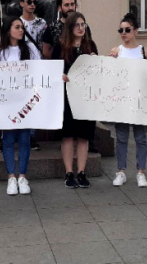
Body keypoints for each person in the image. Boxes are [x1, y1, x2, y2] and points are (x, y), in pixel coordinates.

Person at [42, 0, 98, 153]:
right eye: (66, 5)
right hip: (64, 81)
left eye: (72, 4)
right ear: (60, 8)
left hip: (84, 88)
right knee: (67, 128)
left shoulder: (85, 30)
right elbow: (46, 52)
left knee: (84, 131)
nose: (70, 7)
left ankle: (88, 143)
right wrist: (60, 71)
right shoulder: (52, 28)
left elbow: (89, 50)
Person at [0, 17, 41, 195]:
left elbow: (40, 72)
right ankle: (11, 176)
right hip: (7, 103)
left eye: (22, 28)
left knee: (25, 139)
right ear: (8, 29)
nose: (21, 30)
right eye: (17, 27)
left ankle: (23, 176)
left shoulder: (30, 49)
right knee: (9, 140)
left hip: (26, 102)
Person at [52, 12, 98, 189]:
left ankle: (81, 172)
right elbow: (53, 70)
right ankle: (69, 172)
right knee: (68, 135)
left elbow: (97, 71)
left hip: (86, 96)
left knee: (84, 136)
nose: (81, 28)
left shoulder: (90, 45)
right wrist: (60, 75)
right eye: (77, 25)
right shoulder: (60, 46)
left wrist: (96, 61)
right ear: (70, 28)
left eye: (83, 25)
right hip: (66, 96)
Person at [109, 13, 147, 188]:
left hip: (140, 100)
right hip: (121, 100)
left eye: (127, 29)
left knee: (141, 137)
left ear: (136, 31)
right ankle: (121, 171)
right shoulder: (116, 51)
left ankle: (141, 172)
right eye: (121, 30)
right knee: (121, 137)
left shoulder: (144, 51)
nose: (123, 33)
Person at [20, 0, 47, 151]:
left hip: (36, 66)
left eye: (34, 2)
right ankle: (6, 136)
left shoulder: (41, 23)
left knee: (32, 101)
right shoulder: (15, 22)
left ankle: (31, 136)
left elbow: (45, 45)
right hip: (19, 68)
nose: (32, 5)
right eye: (29, 2)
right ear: (21, 3)